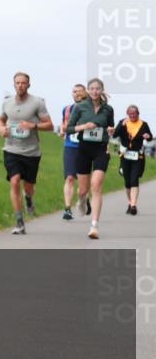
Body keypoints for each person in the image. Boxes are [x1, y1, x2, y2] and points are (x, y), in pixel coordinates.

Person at [0, 72, 53, 235]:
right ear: (14, 85)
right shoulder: (7, 103)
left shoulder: (37, 103)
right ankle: (19, 221)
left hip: (31, 152)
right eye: (17, 83)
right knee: (14, 181)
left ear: (29, 85)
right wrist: (1, 128)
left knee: (28, 187)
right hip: (11, 149)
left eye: (23, 83)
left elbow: (49, 125)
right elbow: (1, 119)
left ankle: (28, 198)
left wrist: (32, 126)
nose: (20, 85)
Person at [65, 77, 116, 239]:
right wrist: (84, 126)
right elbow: (69, 129)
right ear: (88, 91)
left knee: (96, 185)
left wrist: (110, 131)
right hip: (84, 149)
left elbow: (110, 127)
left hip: (101, 149)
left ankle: (94, 226)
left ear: (101, 90)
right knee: (83, 190)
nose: (94, 91)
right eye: (92, 88)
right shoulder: (80, 107)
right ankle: (81, 200)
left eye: (97, 88)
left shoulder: (108, 109)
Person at [110, 104, 152, 216]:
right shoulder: (123, 122)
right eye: (130, 114)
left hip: (138, 156)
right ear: (127, 114)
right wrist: (121, 126)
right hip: (124, 155)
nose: (132, 115)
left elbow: (150, 136)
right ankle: (130, 202)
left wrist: (148, 136)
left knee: (134, 180)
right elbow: (114, 135)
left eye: (134, 114)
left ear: (138, 114)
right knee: (127, 181)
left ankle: (133, 205)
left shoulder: (143, 124)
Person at [57, 84, 88, 220]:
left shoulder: (91, 109)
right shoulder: (67, 109)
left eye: (79, 91)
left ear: (85, 93)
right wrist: (62, 131)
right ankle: (67, 209)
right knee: (70, 178)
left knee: (83, 184)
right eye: (74, 91)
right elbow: (64, 125)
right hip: (70, 146)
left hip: (86, 147)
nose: (76, 94)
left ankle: (84, 199)